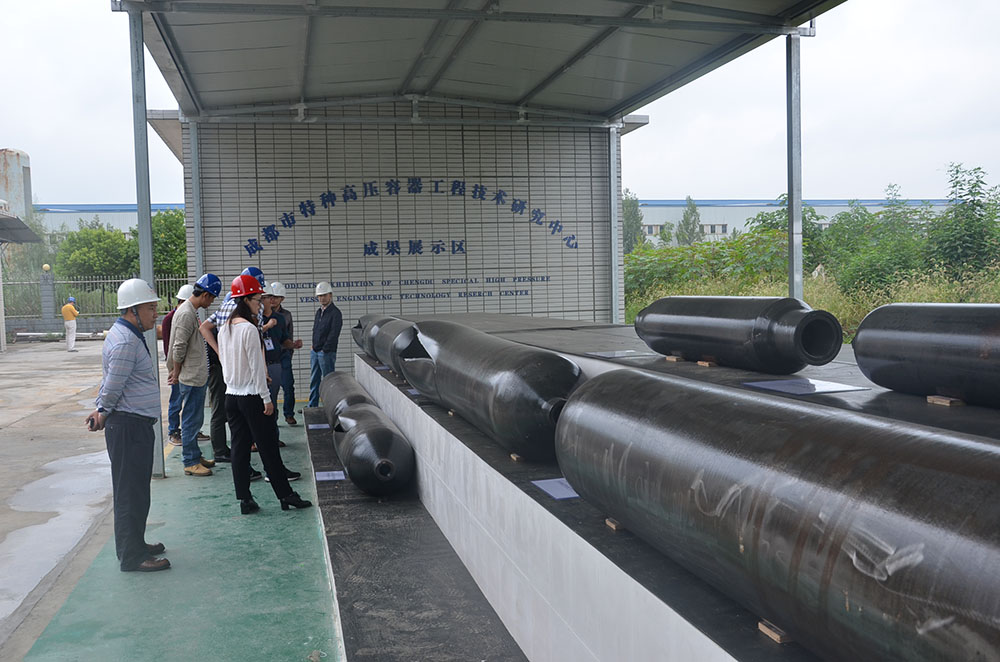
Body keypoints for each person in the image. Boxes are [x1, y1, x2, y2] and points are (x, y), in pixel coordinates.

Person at [85, 278, 169, 572]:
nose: (155, 314)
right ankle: (132, 557)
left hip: (134, 425)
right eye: (150, 308)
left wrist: (101, 408)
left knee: (136, 491)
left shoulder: (126, 335)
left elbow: (111, 379)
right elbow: (113, 386)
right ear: (133, 310)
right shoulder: (124, 341)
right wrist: (102, 411)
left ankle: (136, 543)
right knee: (130, 494)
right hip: (129, 427)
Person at [217, 275, 311, 514]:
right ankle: (286, 495)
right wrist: (266, 398)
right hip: (252, 397)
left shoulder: (224, 328)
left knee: (239, 449)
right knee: (269, 448)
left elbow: (227, 363)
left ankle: (245, 499)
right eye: (258, 300)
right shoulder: (249, 329)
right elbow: (256, 367)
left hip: (232, 396)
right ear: (246, 300)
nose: (261, 304)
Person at [167, 273, 221, 476]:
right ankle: (190, 461)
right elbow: (179, 347)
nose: (212, 302)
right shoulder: (186, 313)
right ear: (205, 295)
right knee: (191, 420)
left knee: (195, 419)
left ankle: (195, 455)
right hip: (190, 376)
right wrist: (176, 372)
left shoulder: (190, 310)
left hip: (194, 374)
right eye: (212, 298)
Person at [161, 284, 193, 446]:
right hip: (177, 365)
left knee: (189, 401)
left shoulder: (189, 314)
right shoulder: (171, 318)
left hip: (187, 366)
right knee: (176, 400)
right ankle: (173, 431)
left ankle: (189, 431)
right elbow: (171, 345)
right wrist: (174, 368)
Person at [270, 282, 303, 425]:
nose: (273, 300)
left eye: (276, 297)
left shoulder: (287, 315)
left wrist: (291, 350)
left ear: (282, 299)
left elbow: (289, 335)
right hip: (270, 356)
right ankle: (273, 417)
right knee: (271, 389)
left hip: (284, 355)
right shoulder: (262, 314)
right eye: (271, 297)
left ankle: (289, 414)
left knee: (288, 386)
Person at [308, 281, 342, 408]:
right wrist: (313, 346)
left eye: (324, 295)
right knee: (314, 380)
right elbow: (315, 330)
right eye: (319, 296)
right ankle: (312, 406)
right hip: (315, 351)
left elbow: (334, 334)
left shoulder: (335, 313)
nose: (321, 298)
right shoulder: (319, 311)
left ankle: (330, 407)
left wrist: (324, 349)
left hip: (326, 353)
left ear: (330, 295)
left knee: (328, 382)